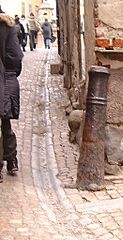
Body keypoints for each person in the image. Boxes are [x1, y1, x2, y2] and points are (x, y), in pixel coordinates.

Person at [0, 6, 24, 182]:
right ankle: (11, 160)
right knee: (5, 121)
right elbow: (15, 57)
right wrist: (9, 72)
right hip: (5, 79)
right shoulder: (7, 26)